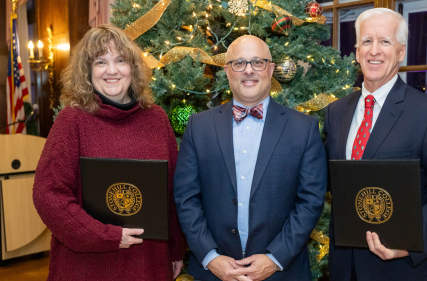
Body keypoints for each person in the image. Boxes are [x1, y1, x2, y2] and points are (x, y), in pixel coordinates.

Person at [323, 8, 427, 281]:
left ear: (401, 52)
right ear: (356, 51)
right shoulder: (336, 112)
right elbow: (333, 183)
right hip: (346, 268)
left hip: (404, 271)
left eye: (385, 41)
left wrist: (409, 243)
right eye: (366, 41)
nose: (374, 50)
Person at [33, 24, 185, 280]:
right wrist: (106, 236)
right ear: (87, 71)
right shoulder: (72, 120)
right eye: (100, 62)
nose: (112, 70)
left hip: (149, 262)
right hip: (88, 265)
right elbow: (48, 196)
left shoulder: (156, 119)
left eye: (120, 60)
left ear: (133, 68)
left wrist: (177, 249)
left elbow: (172, 191)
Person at [174, 35, 327, 281]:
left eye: (257, 62)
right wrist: (210, 256)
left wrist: (275, 259)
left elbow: (310, 201)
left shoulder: (304, 128)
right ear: (226, 70)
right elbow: (186, 197)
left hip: (281, 272)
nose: (248, 71)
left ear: (271, 69)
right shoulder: (198, 126)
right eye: (239, 63)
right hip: (213, 272)